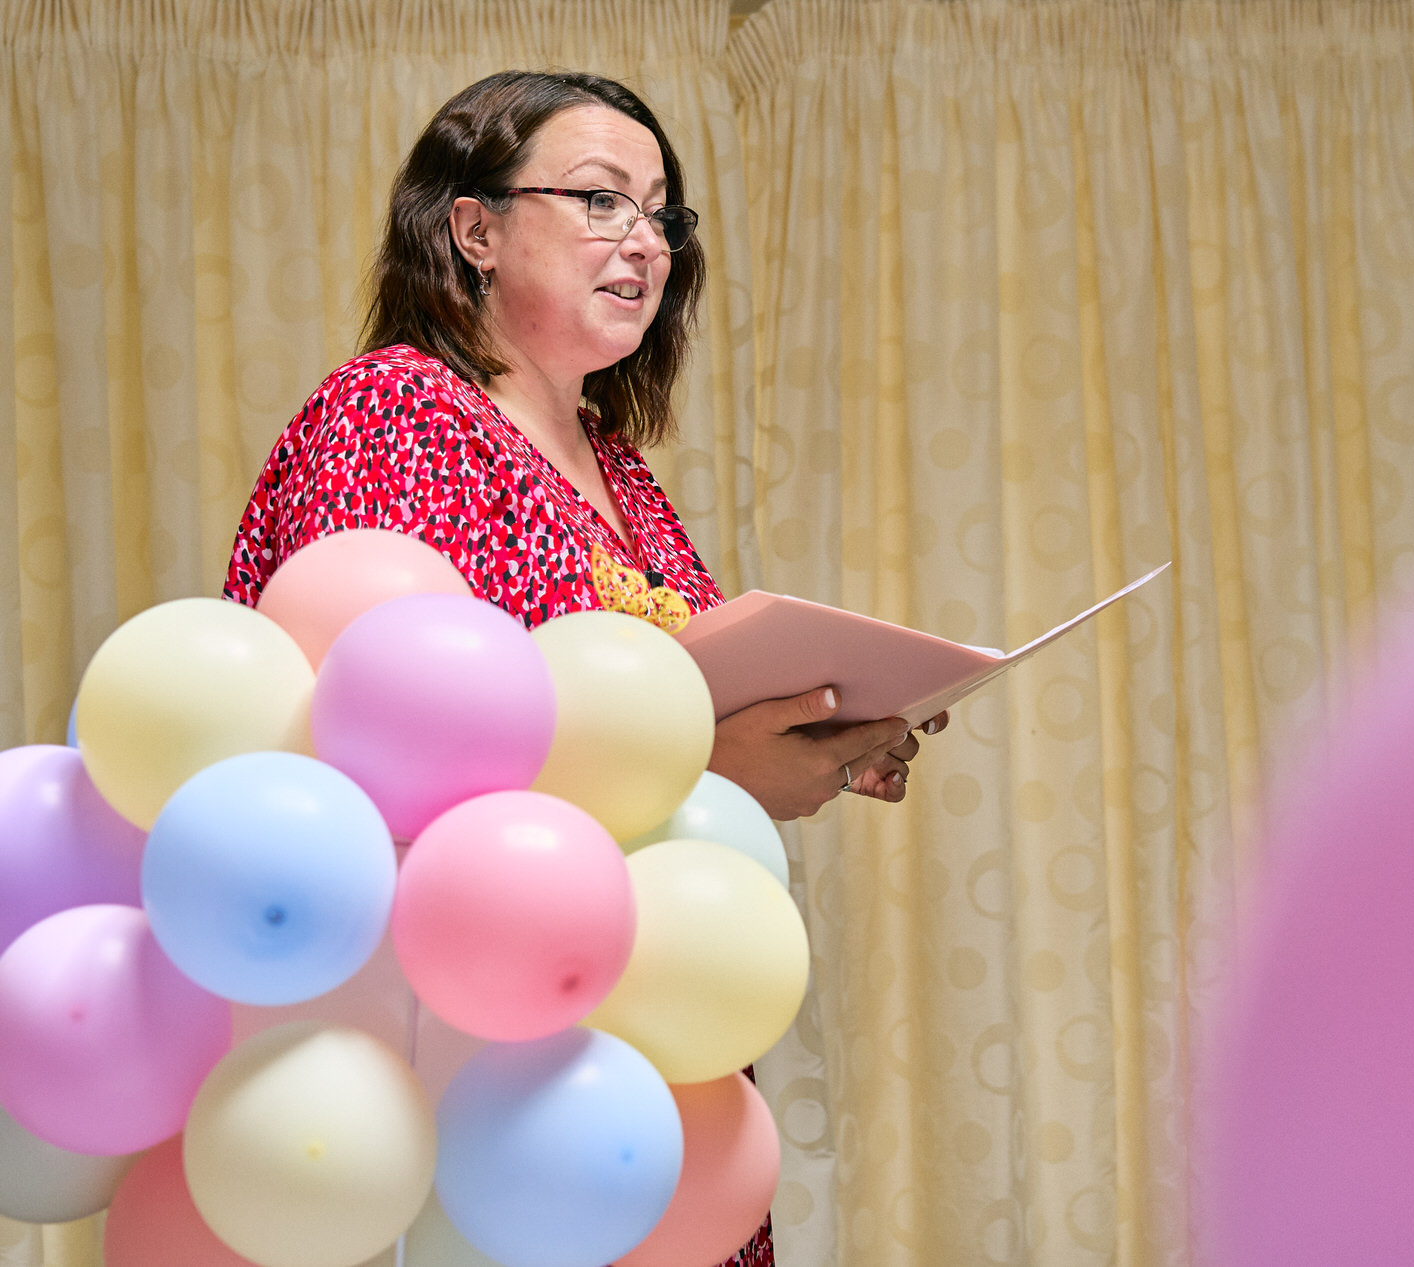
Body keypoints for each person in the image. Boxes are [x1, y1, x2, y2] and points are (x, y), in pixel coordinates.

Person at [221, 70, 945, 1266]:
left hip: (640, 1059)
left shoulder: (625, 474)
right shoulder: (393, 414)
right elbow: (386, 772)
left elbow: (665, 723)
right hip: (475, 1084)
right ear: (475, 229)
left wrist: (816, 735)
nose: (645, 242)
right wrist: (718, 767)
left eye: (662, 213)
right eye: (602, 199)